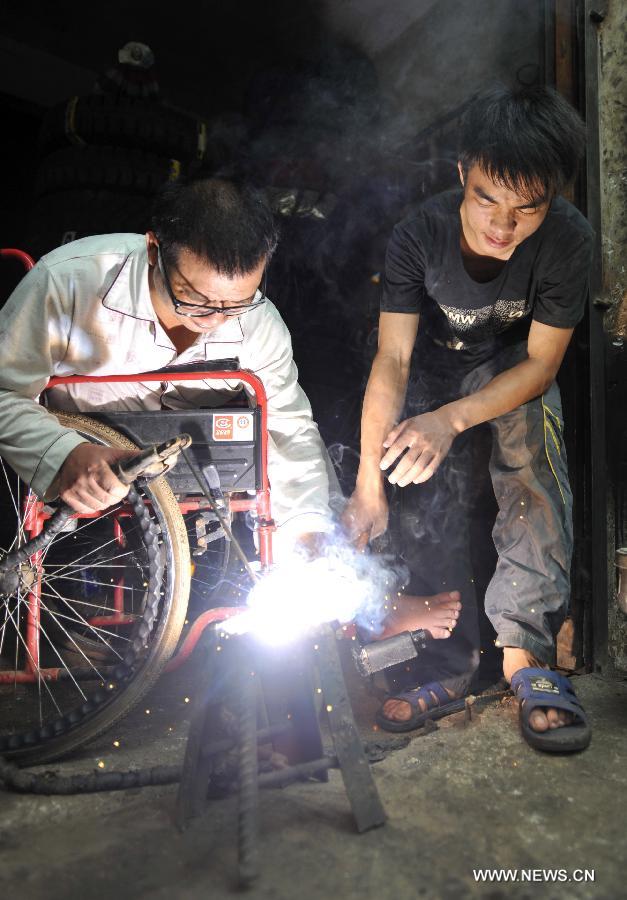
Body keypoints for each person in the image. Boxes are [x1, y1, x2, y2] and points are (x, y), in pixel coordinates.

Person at [344, 86, 593, 752]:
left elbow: (540, 365)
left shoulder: (568, 240)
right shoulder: (416, 235)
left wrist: (450, 421)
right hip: (426, 363)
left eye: (526, 207)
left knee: (531, 444)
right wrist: (368, 481)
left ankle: (523, 654)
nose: (502, 227)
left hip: (507, 369)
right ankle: (441, 662)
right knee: (402, 468)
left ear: (552, 198)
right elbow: (391, 359)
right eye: (486, 198)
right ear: (461, 171)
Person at [0, 177, 336, 559]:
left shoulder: (261, 323)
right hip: (81, 495)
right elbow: (4, 391)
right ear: (154, 250)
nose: (215, 319)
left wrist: (305, 529)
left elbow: (288, 427)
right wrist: (62, 453)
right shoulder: (68, 284)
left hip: (202, 498)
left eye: (236, 304)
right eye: (195, 299)